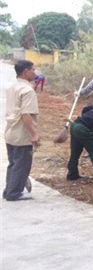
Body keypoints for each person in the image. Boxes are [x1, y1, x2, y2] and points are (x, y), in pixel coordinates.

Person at [3, 60, 39, 201]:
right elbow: (26, 115)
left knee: (13, 163)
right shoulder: (27, 91)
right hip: (21, 134)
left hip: (10, 132)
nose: (35, 73)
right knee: (22, 165)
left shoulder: (13, 87)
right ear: (26, 71)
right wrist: (34, 133)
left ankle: (9, 190)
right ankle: (14, 193)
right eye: (33, 70)